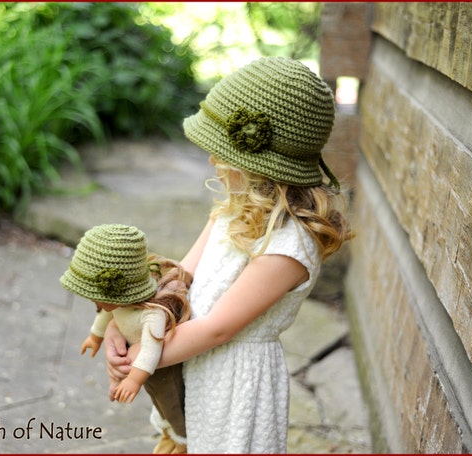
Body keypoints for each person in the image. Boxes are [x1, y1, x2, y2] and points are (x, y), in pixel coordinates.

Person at [104, 56, 354, 453]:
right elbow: (179, 275)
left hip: (234, 381)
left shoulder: (291, 245)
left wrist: (143, 357)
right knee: (183, 438)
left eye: (222, 152)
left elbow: (219, 327)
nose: (211, 160)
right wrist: (128, 321)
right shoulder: (233, 209)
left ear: (260, 164)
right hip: (191, 355)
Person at [59, 224, 192, 453]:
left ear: (118, 290)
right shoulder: (119, 303)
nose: (96, 304)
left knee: (171, 403)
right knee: (157, 402)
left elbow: (151, 349)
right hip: (138, 364)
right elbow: (106, 314)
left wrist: (134, 380)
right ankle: (168, 431)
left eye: (97, 298)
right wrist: (95, 336)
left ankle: (183, 440)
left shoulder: (152, 315)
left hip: (161, 370)